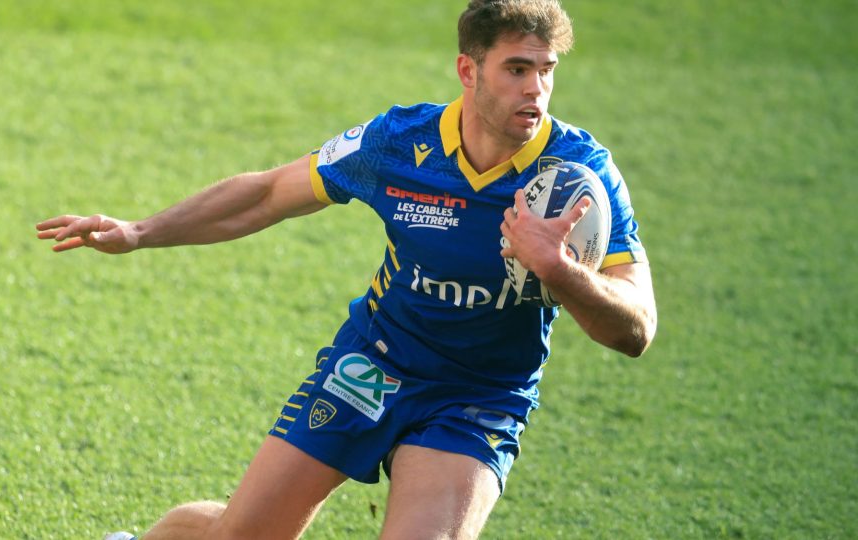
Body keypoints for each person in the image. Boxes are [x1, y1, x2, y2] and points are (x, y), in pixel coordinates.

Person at [37, 1, 657, 538]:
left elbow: (636, 331)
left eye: (546, 71)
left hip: (478, 397)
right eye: (516, 69)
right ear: (468, 70)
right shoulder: (398, 141)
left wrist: (559, 269)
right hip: (374, 361)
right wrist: (141, 231)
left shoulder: (580, 176)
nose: (535, 90)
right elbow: (268, 194)